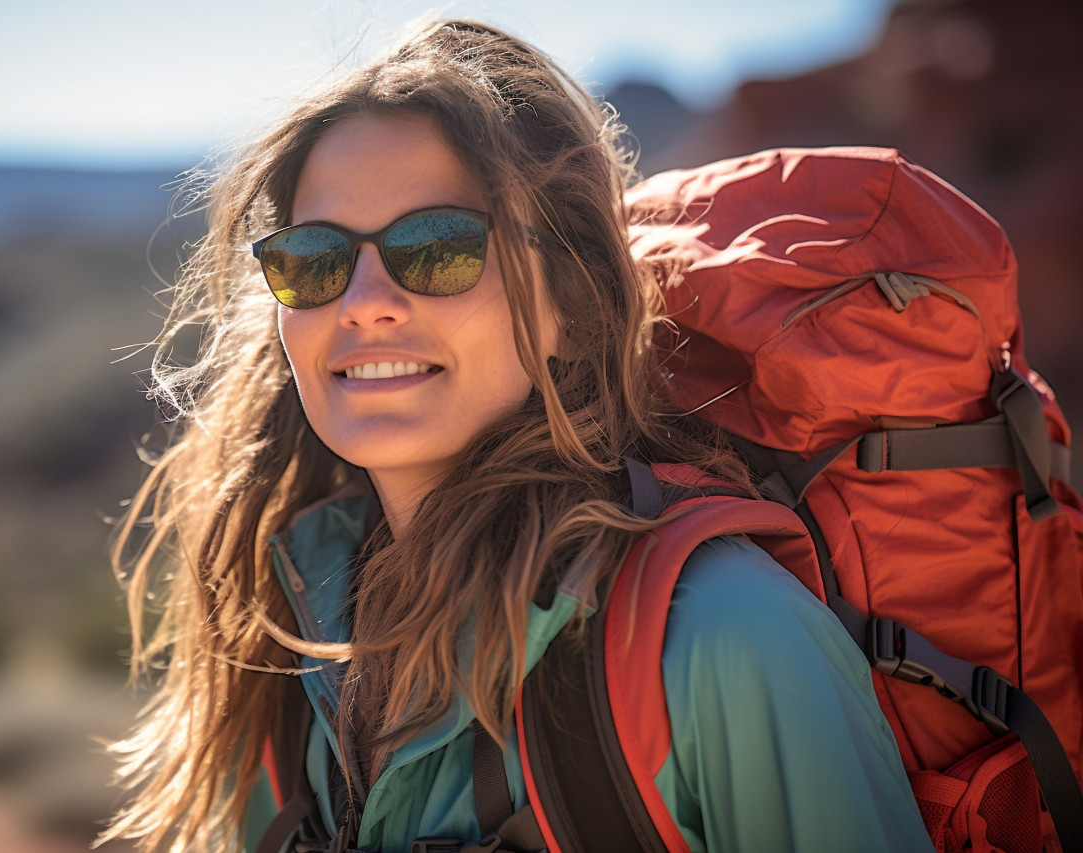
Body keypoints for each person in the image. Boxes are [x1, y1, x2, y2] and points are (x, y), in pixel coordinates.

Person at [102, 20, 934, 853]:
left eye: (438, 247)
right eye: (314, 259)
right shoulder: (284, 644)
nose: (360, 302)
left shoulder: (724, 637)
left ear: (570, 306)